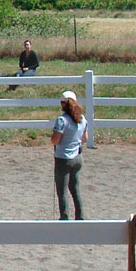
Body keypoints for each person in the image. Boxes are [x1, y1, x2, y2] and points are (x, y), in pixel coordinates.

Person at [51, 90, 88, 220]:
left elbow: (55, 140)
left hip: (63, 159)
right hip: (77, 157)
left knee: (62, 190)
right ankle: (80, 216)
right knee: (75, 188)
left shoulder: (61, 120)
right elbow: (84, 138)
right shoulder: (82, 119)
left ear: (62, 104)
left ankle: (64, 217)